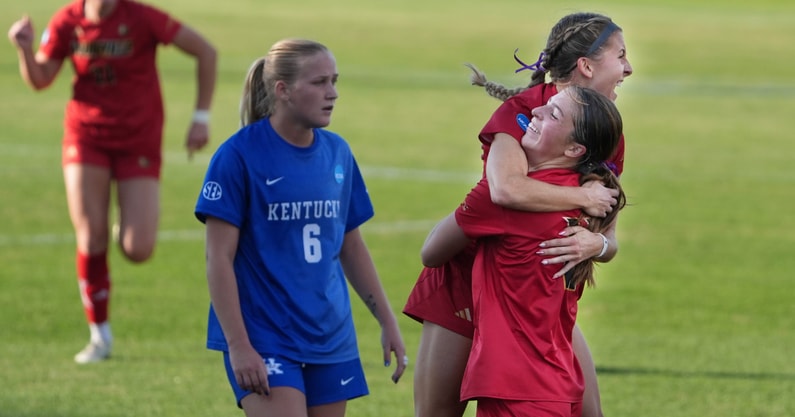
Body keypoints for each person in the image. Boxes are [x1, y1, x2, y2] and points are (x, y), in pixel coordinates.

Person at [403, 12, 633, 417]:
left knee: (587, 410)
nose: (628, 68)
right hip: (467, 276)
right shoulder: (524, 113)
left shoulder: (604, 130)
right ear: (587, 65)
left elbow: (607, 239)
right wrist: (581, 200)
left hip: (535, 293)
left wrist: (596, 243)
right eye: (621, 56)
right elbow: (505, 190)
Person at [194, 38, 407, 417]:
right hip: (265, 337)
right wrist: (239, 345)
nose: (333, 93)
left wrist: (387, 320)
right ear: (283, 90)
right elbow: (218, 259)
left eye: (334, 81)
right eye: (319, 82)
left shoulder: (338, 153)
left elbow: (351, 246)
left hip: (330, 336)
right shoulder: (237, 156)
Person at [7, 0, 217, 364]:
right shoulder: (67, 21)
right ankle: (99, 335)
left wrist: (201, 117)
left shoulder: (142, 17)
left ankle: (127, 215)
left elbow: (206, 51)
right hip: (85, 136)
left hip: (139, 139)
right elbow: (41, 79)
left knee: (138, 248)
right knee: (90, 236)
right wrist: (24, 49)